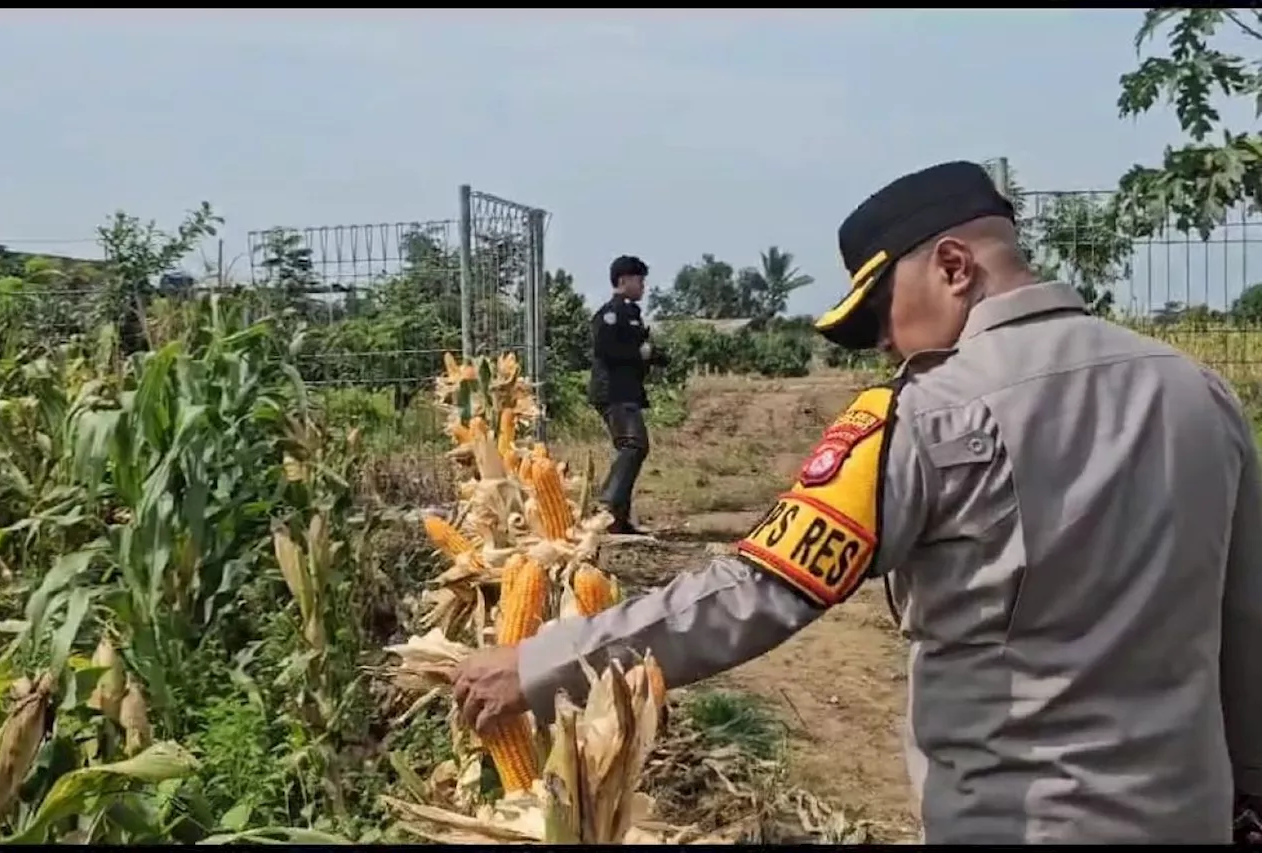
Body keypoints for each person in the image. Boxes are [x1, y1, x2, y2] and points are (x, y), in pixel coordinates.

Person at [451, 161, 1262, 843]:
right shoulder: (1202, 392)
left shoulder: (927, 414)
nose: (883, 343)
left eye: (881, 313)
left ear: (954, 266)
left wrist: (540, 663)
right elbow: (1244, 623)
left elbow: (759, 590)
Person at [587, 254, 667, 535]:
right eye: (639, 280)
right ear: (623, 281)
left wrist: (653, 356)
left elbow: (636, 350)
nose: (643, 285)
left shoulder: (631, 314)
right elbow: (605, 349)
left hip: (627, 391)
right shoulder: (611, 312)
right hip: (613, 392)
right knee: (633, 445)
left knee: (632, 446)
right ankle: (608, 507)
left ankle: (618, 521)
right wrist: (638, 353)